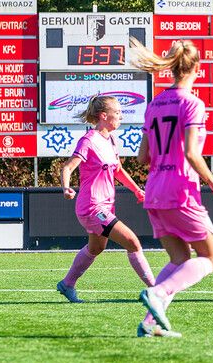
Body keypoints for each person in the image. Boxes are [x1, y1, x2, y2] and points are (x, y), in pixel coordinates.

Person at [131, 38, 213, 338]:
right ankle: (158, 294)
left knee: (179, 260)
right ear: (198, 67)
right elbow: (190, 153)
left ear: (172, 67)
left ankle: (149, 323)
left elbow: (142, 156)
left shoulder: (155, 103)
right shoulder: (192, 103)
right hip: (181, 190)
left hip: (155, 191)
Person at [57, 95, 154, 303]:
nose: (121, 116)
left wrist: (137, 190)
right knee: (132, 242)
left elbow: (118, 170)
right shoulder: (89, 140)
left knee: (96, 248)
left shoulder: (110, 140)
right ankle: (157, 290)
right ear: (104, 116)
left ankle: (67, 284)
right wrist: (66, 188)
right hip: (91, 206)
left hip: (105, 206)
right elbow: (68, 167)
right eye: (117, 112)